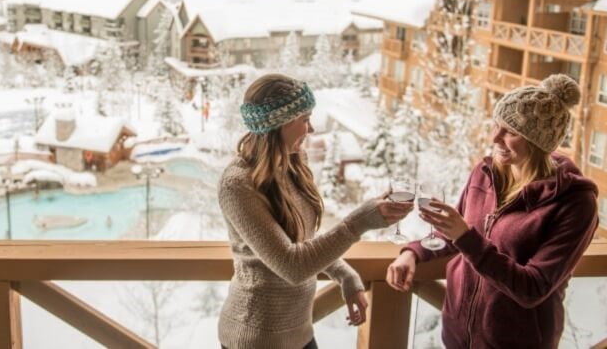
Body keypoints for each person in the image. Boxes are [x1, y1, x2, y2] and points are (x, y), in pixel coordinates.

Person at [386, 74, 598, 349]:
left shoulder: (574, 204)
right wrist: (412, 253)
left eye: (510, 131)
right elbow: (456, 234)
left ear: (538, 142)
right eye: (496, 125)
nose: (493, 137)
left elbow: (532, 287)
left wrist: (465, 236)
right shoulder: (485, 173)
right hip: (458, 336)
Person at [218, 74, 412, 349]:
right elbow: (292, 265)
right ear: (279, 124)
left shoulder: (294, 162)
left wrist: (343, 273)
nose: (310, 129)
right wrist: (359, 223)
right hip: (256, 338)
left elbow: (303, 240)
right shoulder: (237, 185)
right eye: (304, 119)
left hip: (300, 333)